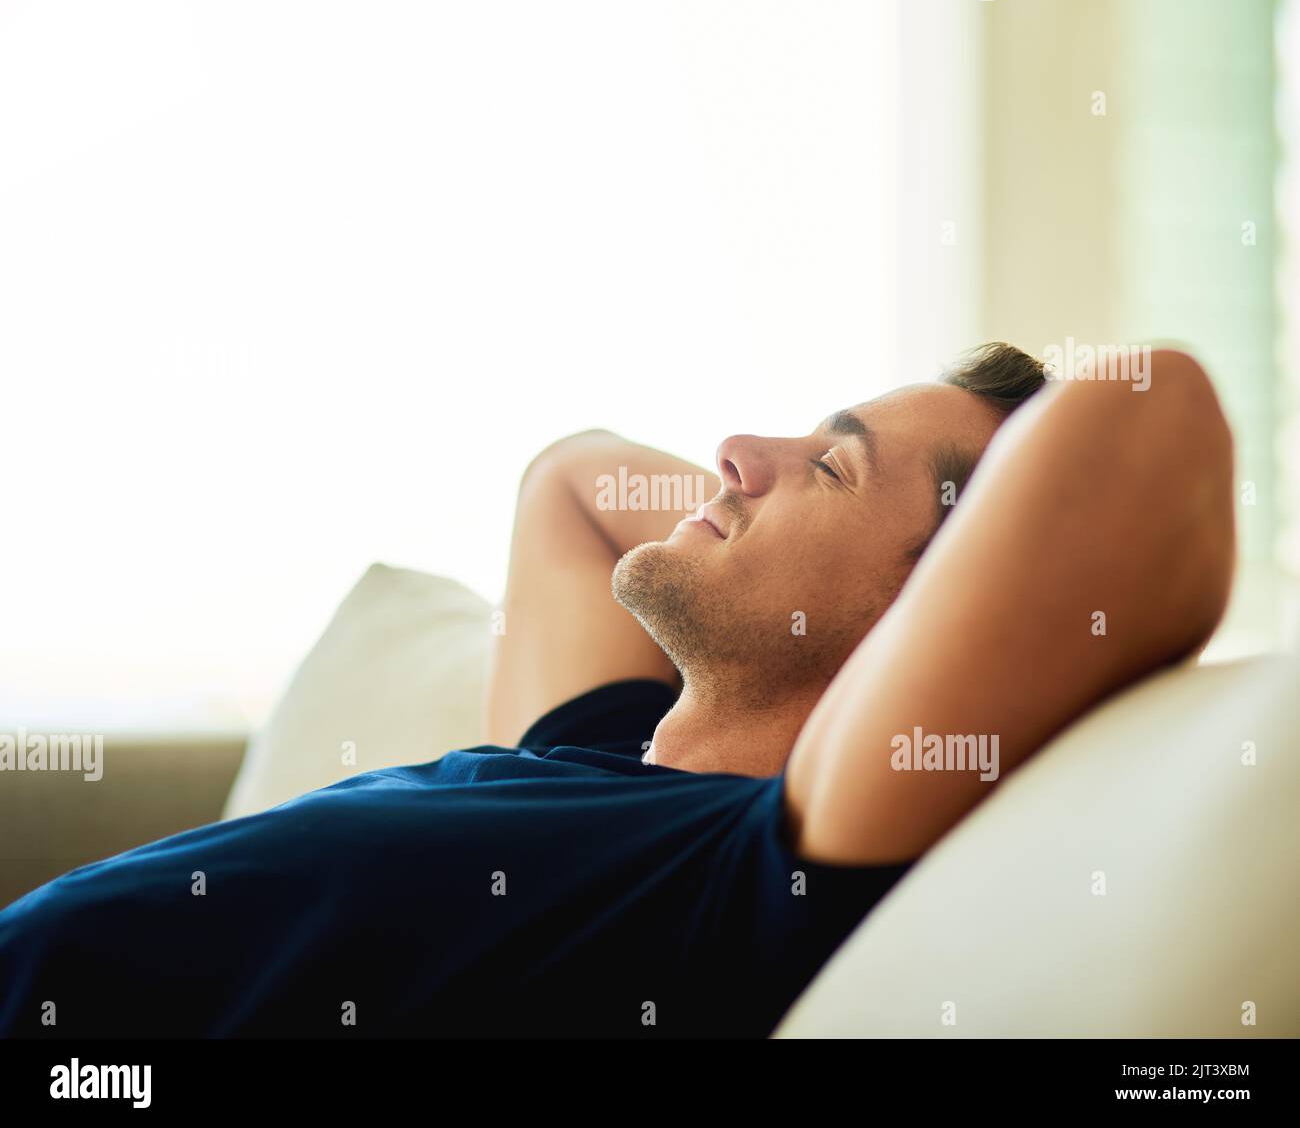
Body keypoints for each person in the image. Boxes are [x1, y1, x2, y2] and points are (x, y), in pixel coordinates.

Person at [0, 343, 1234, 1038]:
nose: (739, 453)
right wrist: (803, 501)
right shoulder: (598, 753)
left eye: (833, 465)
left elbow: (1145, 410)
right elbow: (572, 481)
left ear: (937, 612)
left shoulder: (753, 870)